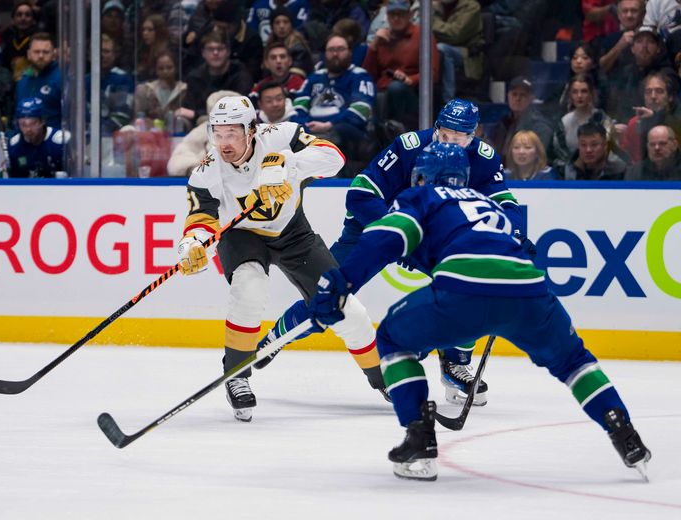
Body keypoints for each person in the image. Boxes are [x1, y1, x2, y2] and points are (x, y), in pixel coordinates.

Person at [307, 142, 652, 482]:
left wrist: (343, 281)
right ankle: (625, 433)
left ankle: (419, 437)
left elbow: (386, 237)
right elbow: (517, 249)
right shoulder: (490, 205)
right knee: (574, 361)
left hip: (464, 291)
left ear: (423, 176)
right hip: (530, 293)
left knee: (392, 338)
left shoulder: (421, 197)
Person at [257, 99, 527, 407]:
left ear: (474, 135)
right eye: (445, 133)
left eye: (459, 137)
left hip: (433, 232)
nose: (450, 141)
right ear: (436, 127)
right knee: (330, 292)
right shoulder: (410, 147)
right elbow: (360, 193)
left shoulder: (484, 158)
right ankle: (276, 338)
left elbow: (505, 203)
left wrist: (515, 234)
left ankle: (454, 363)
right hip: (374, 226)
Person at [176, 95, 387, 422]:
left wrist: (285, 163)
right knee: (250, 288)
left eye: (232, 133)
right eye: (218, 134)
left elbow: (335, 158)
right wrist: (192, 244)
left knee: (346, 307)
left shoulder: (282, 136)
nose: (224, 143)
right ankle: (237, 375)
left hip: (292, 233)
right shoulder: (206, 172)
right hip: (242, 236)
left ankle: (380, 376)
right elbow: (201, 219)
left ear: (252, 130)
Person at [292, 34, 376, 162]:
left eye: (340, 49)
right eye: (331, 50)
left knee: (339, 131)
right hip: (312, 128)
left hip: (344, 130)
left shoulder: (359, 76)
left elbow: (361, 110)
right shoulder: (314, 77)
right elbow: (298, 107)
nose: (335, 54)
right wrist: (307, 126)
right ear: (325, 53)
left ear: (349, 52)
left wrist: (329, 124)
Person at [362, 0, 439, 130]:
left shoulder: (422, 35)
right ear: (387, 16)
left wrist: (411, 80)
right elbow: (366, 76)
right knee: (370, 93)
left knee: (396, 88)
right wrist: (374, 45)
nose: (396, 18)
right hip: (383, 89)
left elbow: (433, 73)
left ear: (409, 15)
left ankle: (395, 131)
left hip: (411, 93)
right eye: (392, 14)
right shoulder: (382, 37)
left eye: (401, 14)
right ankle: (377, 131)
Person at [177, 30, 254, 126]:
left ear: (228, 52)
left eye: (220, 49)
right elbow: (188, 107)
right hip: (200, 126)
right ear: (203, 53)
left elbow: (240, 107)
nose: (215, 53)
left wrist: (196, 114)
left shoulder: (240, 74)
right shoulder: (195, 77)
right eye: (210, 49)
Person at [550, 74, 614, 171]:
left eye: (584, 91)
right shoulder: (564, 122)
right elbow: (559, 152)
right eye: (575, 92)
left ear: (591, 93)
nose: (579, 96)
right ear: (570, 95)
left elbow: (608, 151)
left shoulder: (603, 120)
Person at [615, 69, 681, 162]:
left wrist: (654, 119)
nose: (653, 96)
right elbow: (630, 159)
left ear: (670, 97)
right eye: (648, 92)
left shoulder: (677, 120)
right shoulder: (634, 123)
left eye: (659, 91)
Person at [488, 76, 555, 166]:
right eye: (514, 94)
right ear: (508, 96)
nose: (518, 99)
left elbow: (538, 159)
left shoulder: (540, 126)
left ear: (531, 98)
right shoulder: (503, 123)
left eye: (522, 95)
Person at [432, 0, 484, 104]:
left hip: (466, 55)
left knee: (442, 49)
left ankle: (448, 101)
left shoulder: (471, 7)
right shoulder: (434, 5)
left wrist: (432, 19)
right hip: (435, 48)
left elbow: (454, 35)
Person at [85, 33, 135, 134]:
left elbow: (121, 116)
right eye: (98, 51)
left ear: (114, 55)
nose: (102, 55)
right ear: (89, 55)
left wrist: (100, 133)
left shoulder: (122, 79)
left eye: (106, 51)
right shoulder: (84, 80)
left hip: (113, 137)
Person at [8, 97, 66, 178]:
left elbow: (74, 177)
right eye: (23, 124)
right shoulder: (14, 145)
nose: (28, 129)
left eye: (33, 123)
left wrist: (54, 175)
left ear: (43, 121)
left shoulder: (61, 141)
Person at [134, 51, 189, 133]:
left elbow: (189, 118)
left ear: (176, 68)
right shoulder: (145, 90)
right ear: (156, 70)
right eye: (161, 68)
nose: (165, 71)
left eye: (169, 67)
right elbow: (138, 115)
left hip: (177, 131)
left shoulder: (184, 90)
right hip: (151, 132)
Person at [16, 33, 62, 128]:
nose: (41, 56)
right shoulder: (23, 80)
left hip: (52, 139)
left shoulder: (62, 79)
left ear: (54, 54)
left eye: (45, 52)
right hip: (25, 139)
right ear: (29, 54)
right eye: (36, 52)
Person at [598, 0, 646, 74]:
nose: (629, 15)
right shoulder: (610, 39)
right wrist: (619, 46)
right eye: (625, 11)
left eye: (634, 11)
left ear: (642, 14)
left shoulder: (652, 38)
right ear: (619, 15)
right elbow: (602, 68)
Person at [267, 7, 314, 77]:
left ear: (291, 25)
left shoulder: (299, 49)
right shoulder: (269, 46)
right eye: (277, 22)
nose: (281, 26)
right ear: (272, 27)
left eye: (285, 22)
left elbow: (295, 76)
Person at [0, 0, 39, 81]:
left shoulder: (38, 40)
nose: (23, 18)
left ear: (33, 20)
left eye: (27, 15)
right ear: (13, 20)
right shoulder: (8, 39)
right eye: (19, 15)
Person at [136, 14, 171, 82]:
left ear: (159, 31)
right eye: (143, 30)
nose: (145, 33)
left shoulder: (168, 53)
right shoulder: (142, 51)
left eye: (150, 30)